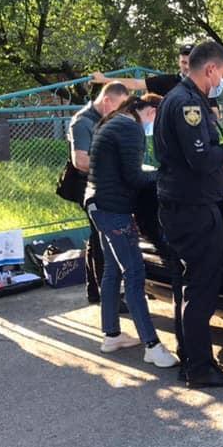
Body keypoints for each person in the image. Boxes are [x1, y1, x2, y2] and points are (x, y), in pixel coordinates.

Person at [154, 41, 223, 388]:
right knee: (201, 289)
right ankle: (200, 368)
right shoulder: (187, 105)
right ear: (210, 69)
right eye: (222, 76)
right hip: (194, 209)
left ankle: (191, 360)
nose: (221, 83)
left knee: (188, 288)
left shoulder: (182, 99)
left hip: (182, 206)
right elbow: (202, 160)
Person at [84, 93, 178, 368]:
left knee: (113, 270)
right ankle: (152, 345)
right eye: (156, 119)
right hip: (113, 211)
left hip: (99, 205)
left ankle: (111, 334)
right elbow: (134, 177)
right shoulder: (130, 128)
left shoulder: (113, 122)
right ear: (150, 110)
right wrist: (165, 173)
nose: (154, 126)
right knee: (135, 274)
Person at [68, 81, 130, 306]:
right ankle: (109, 297)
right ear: (106, 101)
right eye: (119, 107)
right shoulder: (83, 122)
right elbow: (80, 161)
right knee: (104, 241)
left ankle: (94, 292)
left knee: (97, 239)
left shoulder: (106, 119)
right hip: (91, 187)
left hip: (105, 186)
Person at [91, 44, 221, 117]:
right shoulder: (167, 81)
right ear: (179, 62)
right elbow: (136, 84)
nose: (186, 66)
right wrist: (105, 79)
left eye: (189, 62)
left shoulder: (205, 85)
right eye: (183, 62)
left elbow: (215, 114)